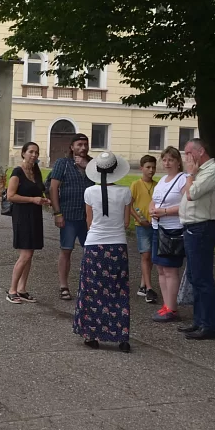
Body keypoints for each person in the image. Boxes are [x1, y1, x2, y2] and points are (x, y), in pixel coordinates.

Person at [72, 152, 133, 352]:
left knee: (92, 291)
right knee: (118, 290)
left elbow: (89, 221)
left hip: (94, 245)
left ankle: (92, 335)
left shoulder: (89, 192)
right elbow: (126, 222)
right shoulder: (125, 192)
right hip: (117, 246)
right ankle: (121, 336)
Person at [178, 138, 215, 340]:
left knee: (202, 277)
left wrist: (190, 174)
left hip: (203, 227)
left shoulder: (213, 171)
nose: (186, 157)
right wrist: (192, 175)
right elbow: (184, 192)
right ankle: (199, 321)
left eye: (189, 153)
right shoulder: (199, 172)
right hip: (192, 227)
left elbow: (192, 194)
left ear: (200, 151)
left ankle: (208, 325)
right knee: (194, 276)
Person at [49, 133, 93, 300]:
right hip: (68, 214)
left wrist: (86, 166)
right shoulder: (63, 163)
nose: (83, 147)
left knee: (91, 251)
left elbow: (103, 182)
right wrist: (57, 213)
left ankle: (89, 285)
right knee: (66, 250)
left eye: (85, 144)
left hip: (89, 216)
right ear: (72, 147)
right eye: (79, 144)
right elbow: (53, 188)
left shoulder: (93, 164)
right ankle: (63, 286)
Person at [6, 142, 50, 304]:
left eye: (36, 152)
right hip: (22, 215)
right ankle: (12, 290)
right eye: (31, 152)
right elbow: (10, 196)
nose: (34, 155)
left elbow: (38, 191)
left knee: (30, 254)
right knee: (25, 254)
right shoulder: (17, 172)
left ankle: (22, 289)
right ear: (23, 153)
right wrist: (32, 199)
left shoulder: (36, 171)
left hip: (35, 215)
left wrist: (44, 200)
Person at [149, 147, 187, 323]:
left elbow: (186, 205)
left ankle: (172, 308)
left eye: (171, 160)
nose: (167, 163)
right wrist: (152, 209)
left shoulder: (183, 179)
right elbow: (154, 200)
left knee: (170, 269)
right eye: (164, 160)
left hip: (173, 229)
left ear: (178, 162)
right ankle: (166, 305)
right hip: (158, 227)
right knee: (160, 269)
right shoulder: (163, 180)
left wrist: (164, 212)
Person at [130, 155, 159, 303]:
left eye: (153, 167)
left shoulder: (157, 185)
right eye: (148, 167)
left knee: (151, 256)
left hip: (155, 224)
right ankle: (149, 288)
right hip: (141, 226)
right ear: (142, 168)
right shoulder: (136, 185)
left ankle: (143, 284)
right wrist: (139, 219)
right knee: (145, 255)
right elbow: (129, 205)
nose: (151, 170)